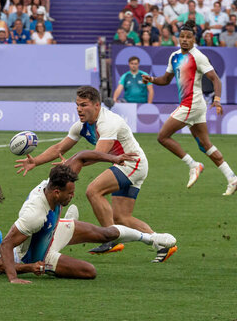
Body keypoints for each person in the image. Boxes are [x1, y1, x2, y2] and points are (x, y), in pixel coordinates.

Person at [14, 87, 177, 262]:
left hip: (132, 163)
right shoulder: (81, 126)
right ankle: (161, 243)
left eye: (84, 105)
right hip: (126, 164)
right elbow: (58, 148)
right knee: (122, 217)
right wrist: (35, 161)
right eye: (77, 105)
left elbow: (98, 154)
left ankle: (110, 238)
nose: (79, 109)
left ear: (97, 105)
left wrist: (70, 164)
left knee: (93, 190)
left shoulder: (108, 122)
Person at [0, 165, 177, 284]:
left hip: (52, 231)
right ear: (56, 192)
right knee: (89, 272)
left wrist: (113, 160)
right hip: (40, 255)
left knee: (106, 234)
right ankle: (67, 225)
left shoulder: (51, 183)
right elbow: (6, 244)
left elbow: (81, 157)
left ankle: (152, 239)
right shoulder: (34, 214)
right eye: (69, 194)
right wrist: (14, 277)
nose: (72, 196)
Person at [142, 20, 237, 196]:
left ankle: (193, 164)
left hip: (192, 104)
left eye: (188, 37)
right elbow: (165, 80)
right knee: (205, 145)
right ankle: (232, 178)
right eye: (182, 37)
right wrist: (151, 79)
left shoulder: (198, 57)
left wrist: (217, 99)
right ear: (178, 38)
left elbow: (215, 79)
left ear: (194, 39)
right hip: (192, 106)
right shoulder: (174, 57)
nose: (185, 40)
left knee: (162, 136)